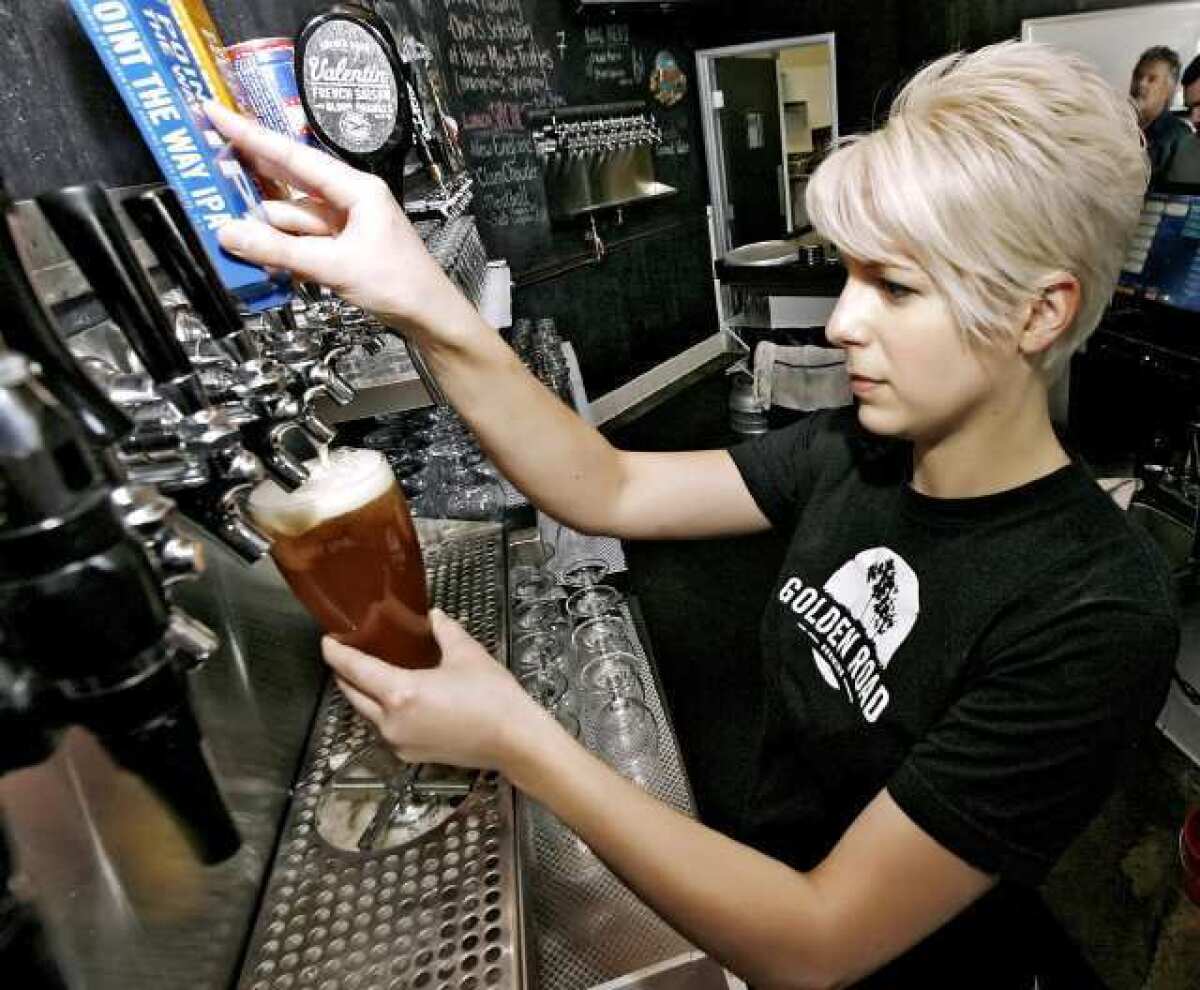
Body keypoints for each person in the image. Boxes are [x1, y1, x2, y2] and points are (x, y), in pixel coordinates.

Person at [206, 40, 1178, 989]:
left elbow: (820, 941)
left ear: (1040, 314)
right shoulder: (858, 452)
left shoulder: (1092, 609)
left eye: (894, 286)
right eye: (847, 273)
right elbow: (607, 488)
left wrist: (516, 737)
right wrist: (420, 295)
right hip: (763, 873)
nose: (842, 322)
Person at [1130, 45, 1191, 187]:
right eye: (1138, 76)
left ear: (1169, 90)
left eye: (1151, 79)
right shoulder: (1118, 127)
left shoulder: (1179, 137)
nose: (1141, 84)